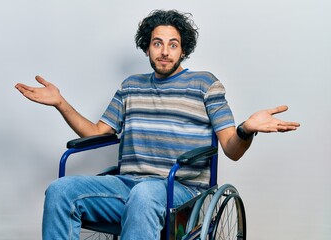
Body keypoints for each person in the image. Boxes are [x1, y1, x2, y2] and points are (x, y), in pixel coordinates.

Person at [15, 9, 300, 240]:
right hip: (127, 186)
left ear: (183, 50)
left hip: (181, 191)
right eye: (157, 43)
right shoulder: (131, 87)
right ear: (147, 48)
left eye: (172, 44)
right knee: (60, 190)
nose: (165, 51)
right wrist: (61, 103)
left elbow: (231, 149)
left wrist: (245, 129)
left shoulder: (205, 84)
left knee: (145, 193)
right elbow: (96, 133)